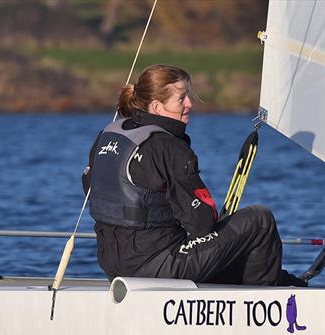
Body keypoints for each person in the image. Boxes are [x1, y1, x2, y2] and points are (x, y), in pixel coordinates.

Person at [82, 64, 305, 287]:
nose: (189, 104)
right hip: (158, 264)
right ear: (157, 106)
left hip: (113, 265)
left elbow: (90, 188)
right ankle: (265, 305)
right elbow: (202, 223)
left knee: (221, 249)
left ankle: (275, 281)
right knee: (259, 220)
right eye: (181, 99)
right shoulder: (169, 147)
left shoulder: (108, 134)